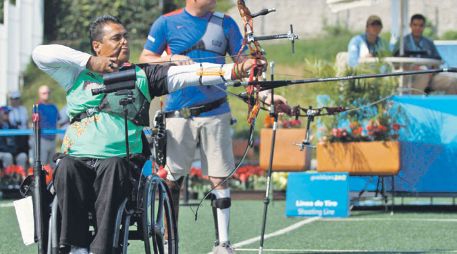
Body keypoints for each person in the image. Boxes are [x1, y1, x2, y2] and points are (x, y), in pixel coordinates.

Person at [32, 15, 266, 254]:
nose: (125, 42)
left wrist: (236, 69)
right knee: (67, 166)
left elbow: (194, 73)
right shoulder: (75, 75)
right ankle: (76, 247)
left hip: (121, 162)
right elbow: (40, 54)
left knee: (113, 166)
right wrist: (90, 62)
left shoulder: (144, 75)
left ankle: (100, 250)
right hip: (78, 158)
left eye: (125, 37)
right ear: (97, 46)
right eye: (116, 38)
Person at [139, 1, 289, 253]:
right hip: (178, 114)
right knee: (173, 180)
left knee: (219, 178)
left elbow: (242, 67)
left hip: (216, 112)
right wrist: (172, 58)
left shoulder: (225, 23)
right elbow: (145, 59)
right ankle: (168, 243)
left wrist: (265, 95)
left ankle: (223, 244)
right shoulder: (166, 22)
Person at [395, 14, 457, 94]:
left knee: (452, 81)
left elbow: (437, 61)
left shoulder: (429, 43)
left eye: (421, 25)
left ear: (424, 27)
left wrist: (432, 71)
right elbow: (395, 63)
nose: (418, 28)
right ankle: (416, 104)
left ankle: (450, 106)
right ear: (410, 25)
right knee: (422, 74)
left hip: (430, 76)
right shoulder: (402, 42)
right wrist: (412, 68)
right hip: (408, 77)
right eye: (415, 25)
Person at [37, 85, 60, 166]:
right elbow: (34, 124)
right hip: (41, 139)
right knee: (42, 165)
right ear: (39, 94)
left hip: (53, 139)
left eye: (48, 92)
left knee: (52, 165)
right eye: (44, 93)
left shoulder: (54, 107)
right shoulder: (37, 107)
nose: (46, 94)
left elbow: (58, 121)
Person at [7, 91, 29, 172]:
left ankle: (22, 176)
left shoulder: (23, 109)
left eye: (16, 98)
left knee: (24, 156)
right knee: (12, 157)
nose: (14, 101)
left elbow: (26, 123)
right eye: (12, 99)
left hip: (23, 137)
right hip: (13, 137)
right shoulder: (7, 109)